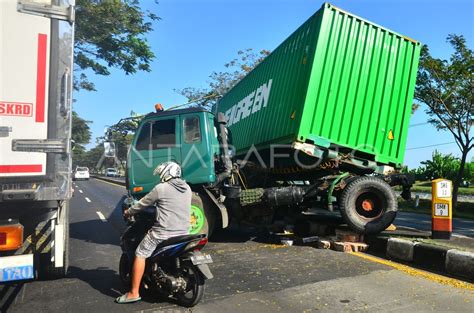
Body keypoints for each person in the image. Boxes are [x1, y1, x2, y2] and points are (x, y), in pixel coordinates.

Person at [115, 161, 191, 304]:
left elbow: (142, 204)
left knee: (140, 254)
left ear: (167, 173)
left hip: (163, 233)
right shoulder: (187, 188)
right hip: (184, 232)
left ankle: (133, 293)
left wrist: (128, 212)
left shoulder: (161, 188)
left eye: (162, 173)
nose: (161, 176)